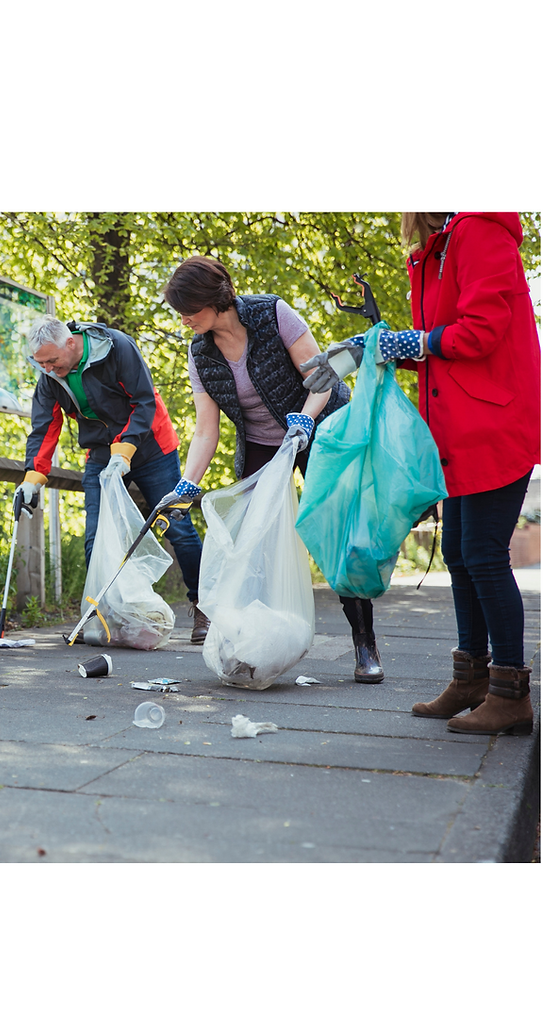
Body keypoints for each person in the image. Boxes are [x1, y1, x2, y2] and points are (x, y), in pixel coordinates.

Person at [301, 212, 540, 734]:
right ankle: (472, 679)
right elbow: (439, 344)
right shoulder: (439, 247)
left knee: (482, 553)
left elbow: (479, 332)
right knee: (458, 551)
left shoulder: (479, 231)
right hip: (458, 428)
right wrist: (368, 348)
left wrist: (404, 344)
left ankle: (510, 695)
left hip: (493, 423)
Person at [158, 256, 386, 683]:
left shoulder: (271, 312)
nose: (184, 320)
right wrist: (187, 484)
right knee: (251, 543)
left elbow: (324, 377)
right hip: (264, 446)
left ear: (214, 298)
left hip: (319, 427)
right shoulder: (200, 353)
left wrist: (305, 420)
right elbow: (206, 431)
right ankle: (252, 645)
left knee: (336, 536)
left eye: (189, 310)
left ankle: (364, 642)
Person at [17, 315, 208, 641]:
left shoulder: (117, 347)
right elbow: (45, 425)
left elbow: (143, 401)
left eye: (52, 361)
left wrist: (125, 451)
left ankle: (204, 606)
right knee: (96, 537)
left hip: (151, 446)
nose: (47, 369)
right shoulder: (49, 375)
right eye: (41, 363)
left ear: (70, 343)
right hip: (101, 453)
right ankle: (101, 615)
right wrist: (33, 477)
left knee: (177, 527)